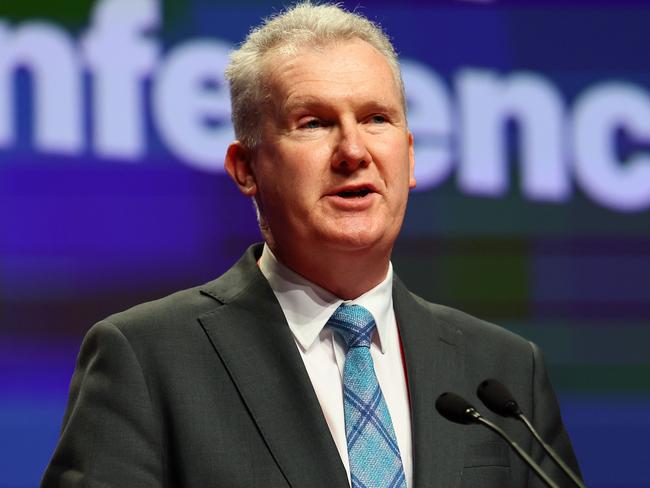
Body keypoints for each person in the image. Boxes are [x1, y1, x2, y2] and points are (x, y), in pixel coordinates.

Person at [42, 3, 581, 487]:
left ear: (410, 156)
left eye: (376, 118)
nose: (353, 150)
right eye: (314, 123)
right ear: (246, 168)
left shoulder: (504, 373)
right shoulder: (146, 357)